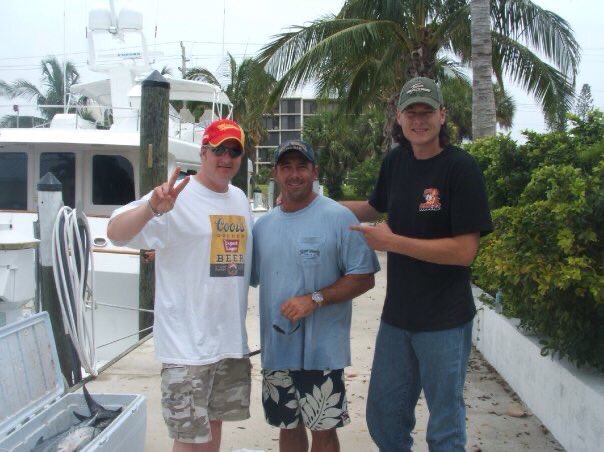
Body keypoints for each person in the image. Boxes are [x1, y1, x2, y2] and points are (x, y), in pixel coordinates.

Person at [343, 77, 493, 451]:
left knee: (444, 425)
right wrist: (310, 203)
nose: (419, 120)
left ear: (443, 115)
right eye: (412, 112)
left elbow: (463, 252)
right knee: (383, 417)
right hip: (398, 319)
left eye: (428, 111)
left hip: (445, 320)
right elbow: (371, 208)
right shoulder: (396, 162)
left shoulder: (461, 168)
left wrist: (392, 243)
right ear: (399, 117)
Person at [107, 118, 253, 452]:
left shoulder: (241, 199)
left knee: (214, 427)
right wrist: (150, 209)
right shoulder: (176, 196)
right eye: (219, 150)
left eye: (234, 151)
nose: (226, 158)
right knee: (187, 437)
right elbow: (115, 232)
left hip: (228, 341)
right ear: (203, 152)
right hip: (186, 345)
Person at [251, 140, 380, 452]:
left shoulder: (338, 217)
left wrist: (315, 298)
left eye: (301, 166)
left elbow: (364, 277)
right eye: (286, 167)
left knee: (323, 430)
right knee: (287, 426)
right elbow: (237, 274)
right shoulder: (262, 226)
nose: (294, 174)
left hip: (322, 352)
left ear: (314, 171)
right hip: (277, 350)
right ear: (276, 174)